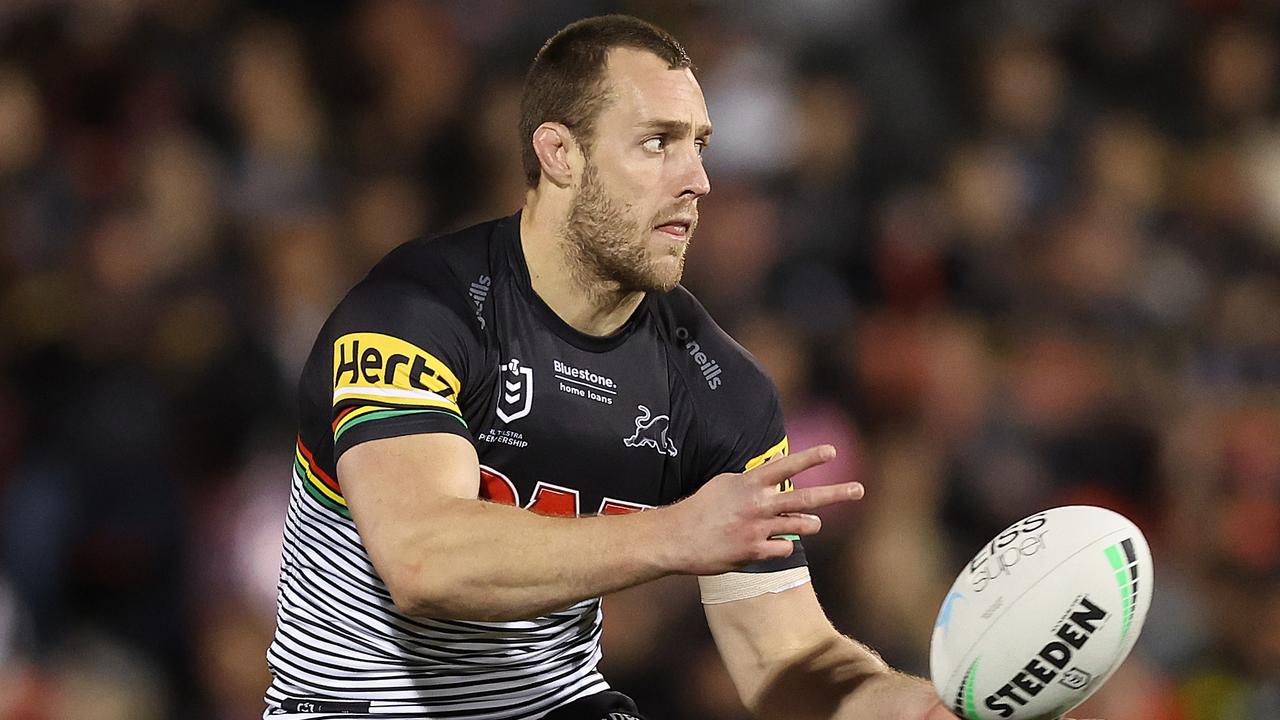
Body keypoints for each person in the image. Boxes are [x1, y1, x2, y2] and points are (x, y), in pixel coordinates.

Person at [262, 14, 1056, 720]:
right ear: (558, 152)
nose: (698, 180)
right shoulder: (413, 312)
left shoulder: (719, 388)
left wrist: (919, 709)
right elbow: (424, 558)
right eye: (657, 143)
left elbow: (785, 659)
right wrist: (675, 533)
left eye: (699, 145)